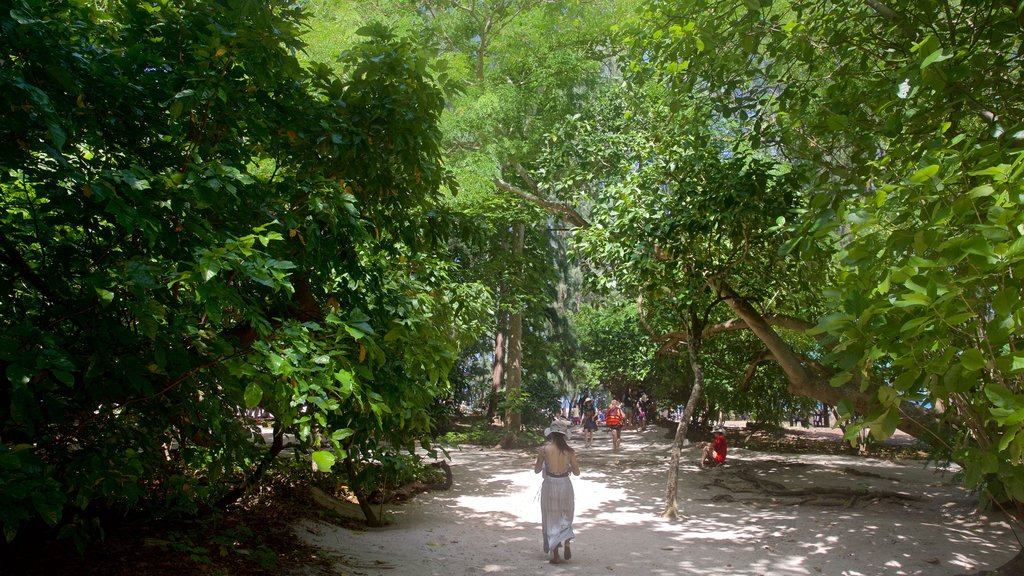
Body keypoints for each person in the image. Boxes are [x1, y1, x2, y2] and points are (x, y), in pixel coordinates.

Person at [534, 419, 580, 564]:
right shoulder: (570, 451)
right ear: (564, 435)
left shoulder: (544, 449)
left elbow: (536, 470)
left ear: (551, 435)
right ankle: (566, 542)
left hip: (550, 484)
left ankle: (555, 555)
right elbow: (577, 472)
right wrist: (569, 468)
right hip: (565, 483)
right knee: (566, 513)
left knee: (551, 516)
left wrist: (544, 466)